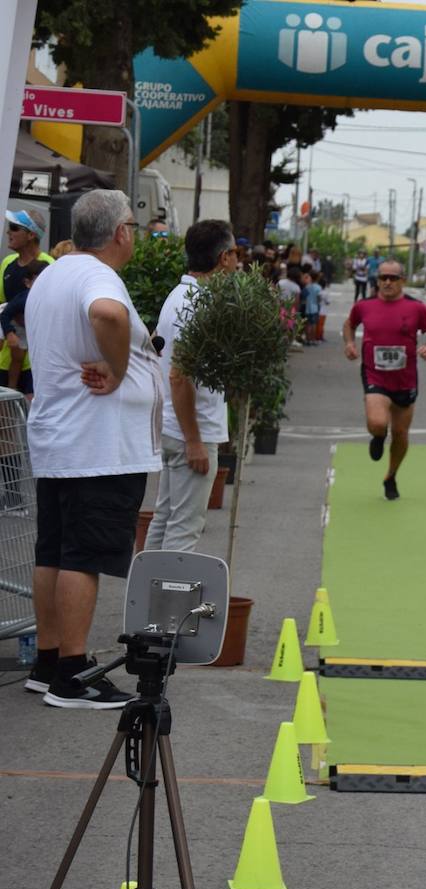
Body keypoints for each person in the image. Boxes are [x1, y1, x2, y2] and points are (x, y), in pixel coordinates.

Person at [25, 189, 163, 709]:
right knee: (82, 557)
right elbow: (109, 315)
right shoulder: (99, 277)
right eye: (133, 225)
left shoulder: (56, 271)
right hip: (98, 445)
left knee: (54, 551)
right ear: (120, 231)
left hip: (62, 436)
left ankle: (49, 659)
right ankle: (73, 673)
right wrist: (121, 366)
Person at [145, 219, 237, 553]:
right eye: (235, 255)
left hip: (175, 426)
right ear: (224, 258)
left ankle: (148, 602)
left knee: (165, 519)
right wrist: (195, 440)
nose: (238, 262)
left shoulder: (180, 295)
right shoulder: (195, 305)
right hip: (190, 431)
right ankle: (167, 603)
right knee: (183, 530)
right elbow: (179, 376)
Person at [344, 259, 426, 500]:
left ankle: (391, 475)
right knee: (378, 422)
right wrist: (349, 342)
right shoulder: (364, 305)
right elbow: (350, 324)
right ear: (377, 280)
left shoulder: (416, 308)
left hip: (405, 378)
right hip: (374, 373)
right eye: (382, 278)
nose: (387, 282)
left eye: (392, 278)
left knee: (400, 433)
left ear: (402, 281)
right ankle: (378, 436)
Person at [1, 209, 54, 396]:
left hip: (36, 360)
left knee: (30, 417)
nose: (9, 232)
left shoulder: (50, 266)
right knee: (5, 419)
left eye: (14, 228)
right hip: (7, 356)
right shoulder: (7, 262)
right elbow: (2, 305)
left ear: (31, 235)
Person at [300, 267, 323, 345]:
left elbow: (304, 296)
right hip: (315, 307)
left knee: (307, 324)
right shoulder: (318, 287)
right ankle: (313, 339)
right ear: (318, 278)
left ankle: (307, 339)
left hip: (307, 307)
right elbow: (319, 298)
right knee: (313, 324)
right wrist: (319, 302)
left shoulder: (307, 286)